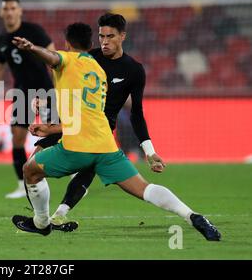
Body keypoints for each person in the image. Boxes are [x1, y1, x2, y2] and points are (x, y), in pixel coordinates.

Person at [11, 22, 221, 241]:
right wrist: (52, 128)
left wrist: (31, 48)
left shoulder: (68, 59)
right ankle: (191, 215)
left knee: (30, 170)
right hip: (106, 145)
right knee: (145, 189)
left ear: (66, 44)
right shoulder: (98, 71)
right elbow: (87, 116)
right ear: (92, 42)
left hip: (77, 146)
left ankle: (41, 223)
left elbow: (54, 58)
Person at [32, 13, 166, 231]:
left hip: (99, 131)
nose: (104, 41)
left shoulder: (134, 70)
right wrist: (45, 100)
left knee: (88, 168)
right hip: (71, 122)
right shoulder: (88, 58)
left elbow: (137, 114)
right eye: (101, 36)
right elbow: (66, 82)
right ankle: (41, 218)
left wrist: (149, 151)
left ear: (123, 36)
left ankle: (59, 215)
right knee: (33, 163)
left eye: (110, 36)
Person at [0, 0, 56, 199]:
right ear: (1, 13)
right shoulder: (1, 40)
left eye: (13, 8)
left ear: (20, 11)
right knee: (17, 137)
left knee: (58, 134)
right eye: (5, 8)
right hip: (22, 93)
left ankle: (76, 174)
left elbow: (54, 57)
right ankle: (23, 185)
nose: (9, 12)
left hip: (46, 90)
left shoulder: (34, 31)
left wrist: (59, 90)